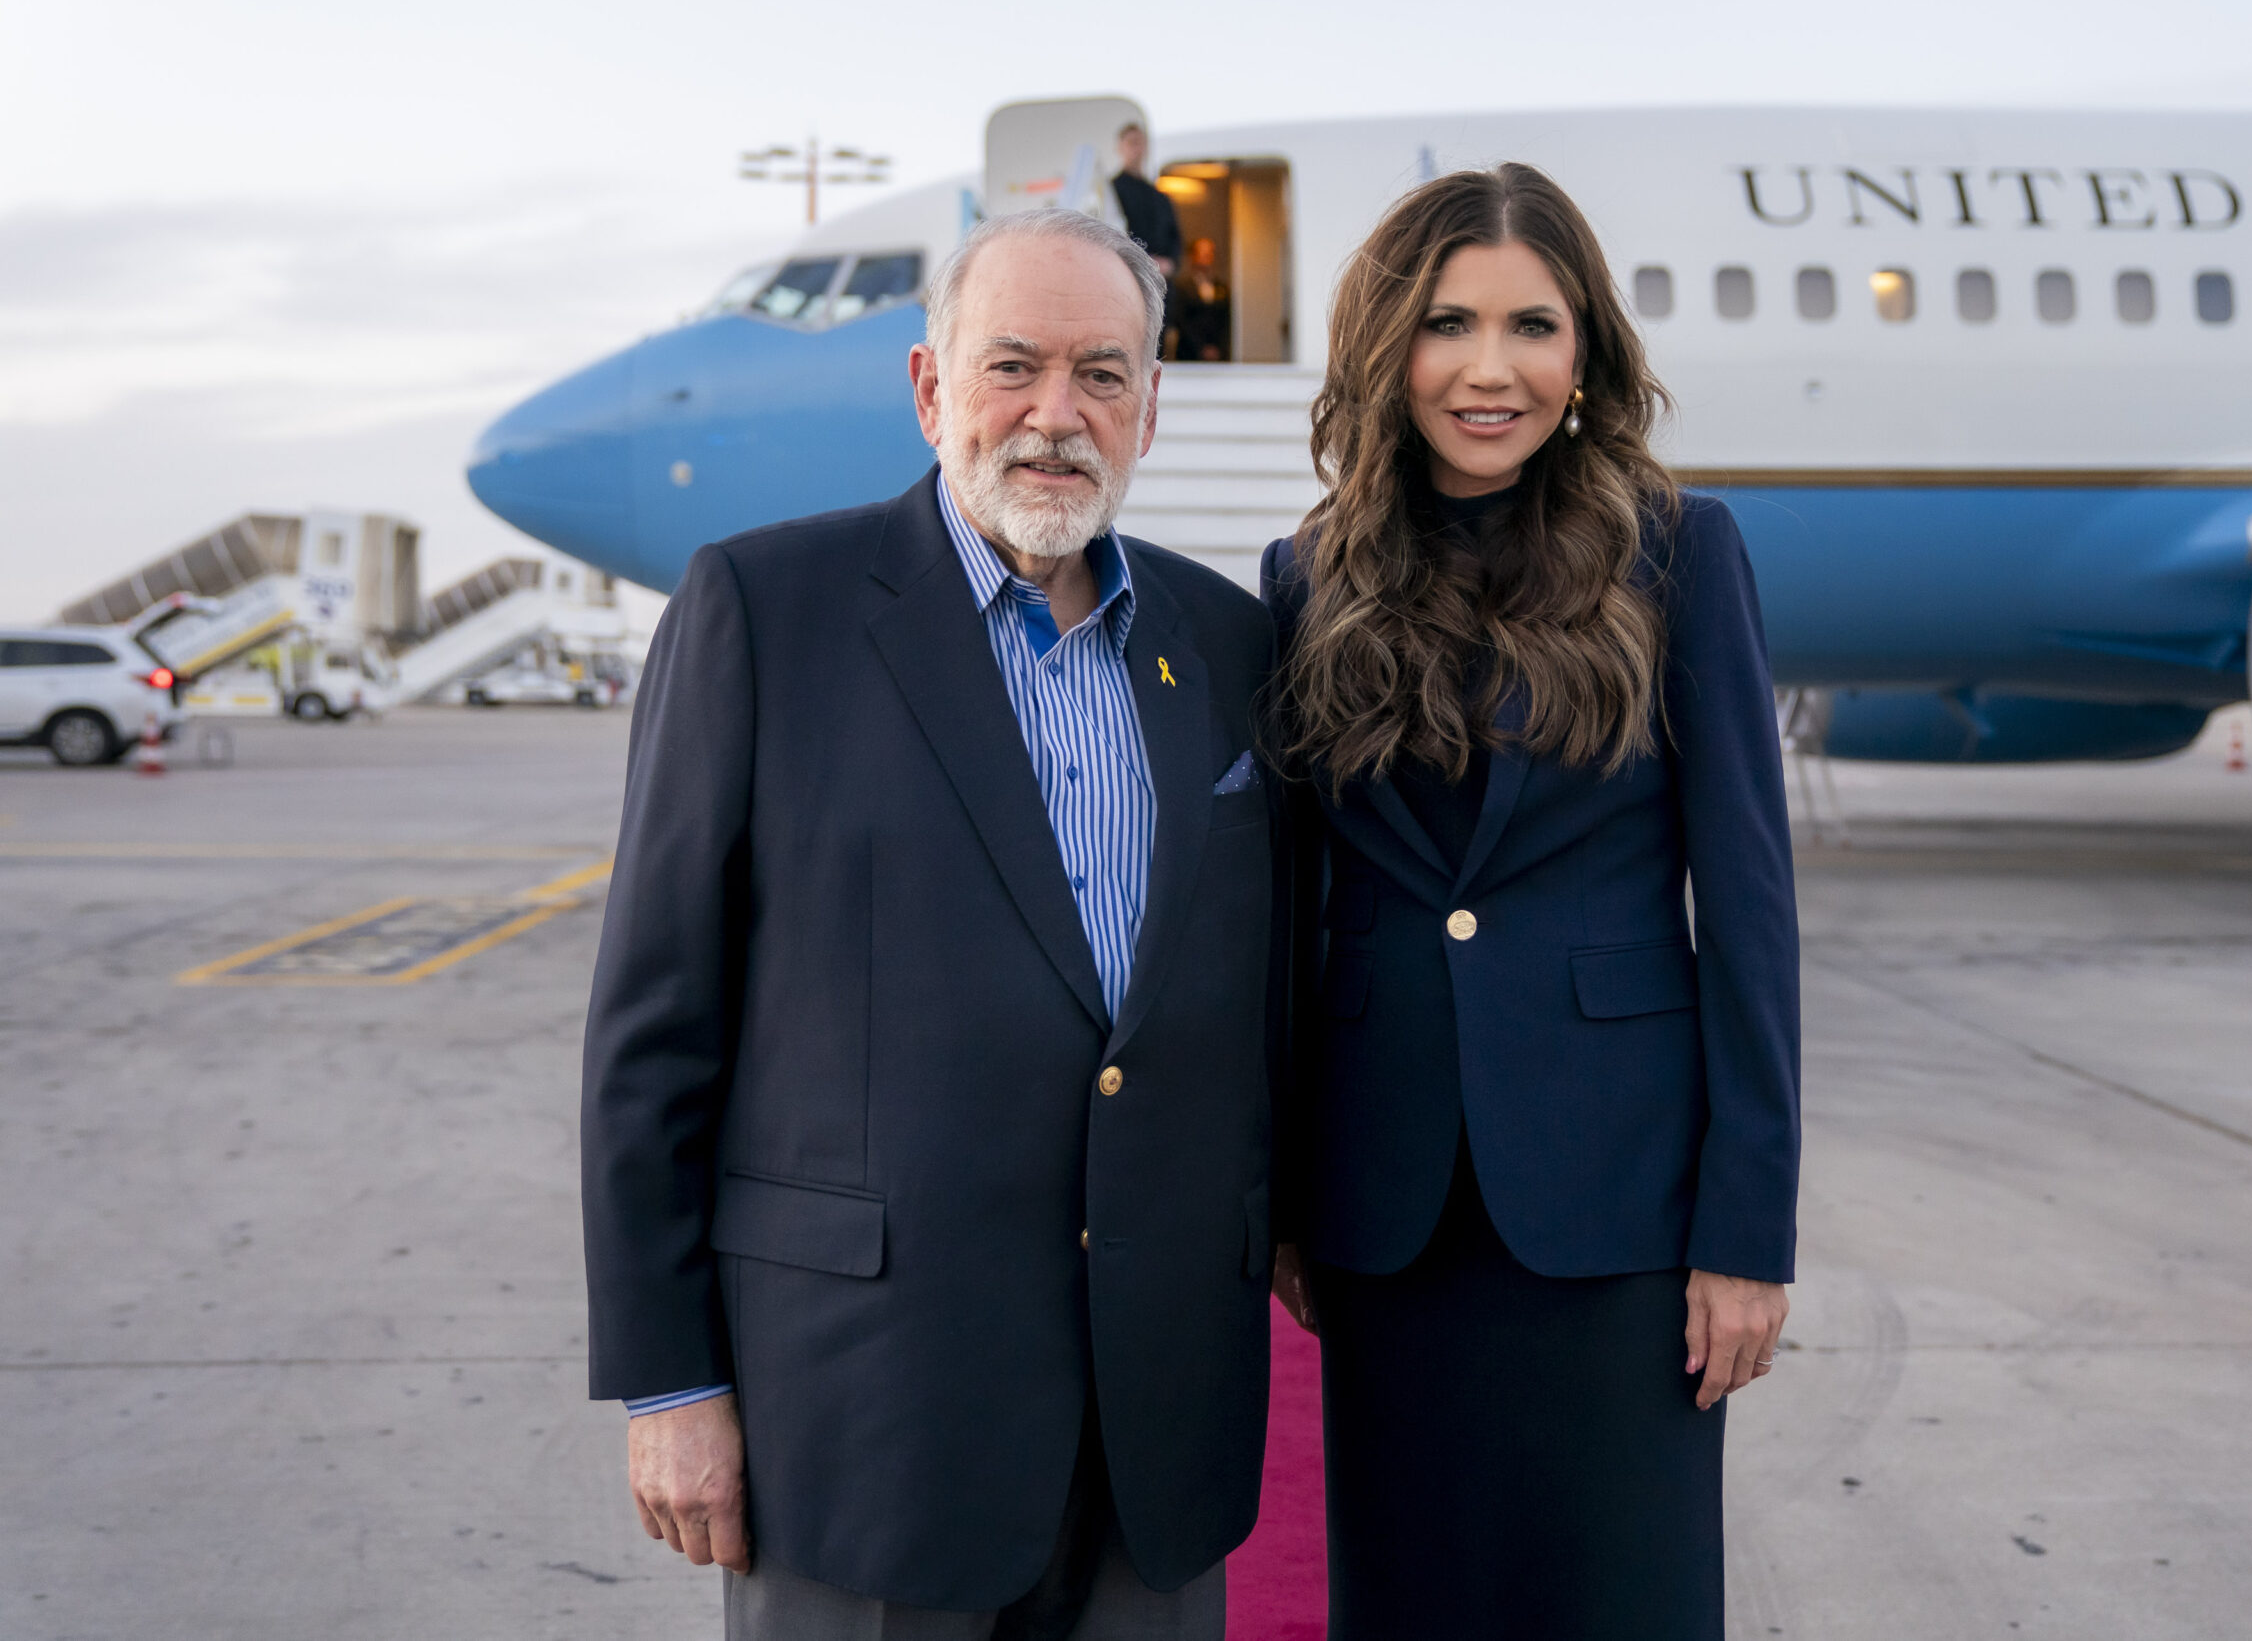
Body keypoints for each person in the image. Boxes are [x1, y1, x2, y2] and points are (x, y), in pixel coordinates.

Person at [584, 206, 1283, 1641]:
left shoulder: (1227, 643)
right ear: (929, 388)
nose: (1054, 413)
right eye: (1011, 364)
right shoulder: (765, 610)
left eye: (1102, 373)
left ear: (1151, 405)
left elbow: (1256, 1001)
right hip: (861, 1417)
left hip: (1155, 1425)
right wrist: (669, 1382)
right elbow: (653, 1030)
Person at [1260, 163, 1801, 1640]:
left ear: (1586, 354)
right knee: (1414, 1595)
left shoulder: (1681, 553)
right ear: (1387, 347)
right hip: (1389, 1209)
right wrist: (1293, 1196)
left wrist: (1748, 1227)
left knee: (1623, 1593)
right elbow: (1298, 911)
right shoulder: (1308, 576)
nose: (1489, 368)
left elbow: (1748, 901)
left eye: (1533, 325)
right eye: (1446, 323)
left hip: (1621, 1211)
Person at [1112, 124, 1180, 280]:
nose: (1137, 149)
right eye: (1132, 143)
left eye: (1141, 143)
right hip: (1132, 278)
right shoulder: (1113, 192)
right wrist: (1144, 261)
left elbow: (1174, 237)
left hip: (1162, 284)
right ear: (1120, 148)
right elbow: (1113, 232)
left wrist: (1170, 263)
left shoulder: (1159, 196)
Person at [1169, 238, 1231, 363]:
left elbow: (1225, 321)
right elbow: (1180, 320)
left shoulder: (1221, 287)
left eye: (1209, 253)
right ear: (1193, 256)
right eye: (1202, 253)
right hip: (1189, 353)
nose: (1206, 257)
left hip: (1217, 355)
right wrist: (1201, 347)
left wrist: (1218, 348)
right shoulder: (1182, 287)